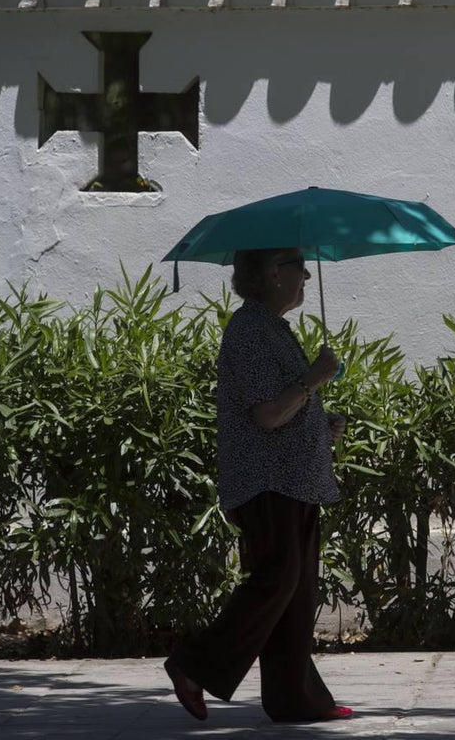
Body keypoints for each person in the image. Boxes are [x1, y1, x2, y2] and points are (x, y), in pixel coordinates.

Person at [164, 247, 353, 723]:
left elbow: (283, 406)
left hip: (295, 479)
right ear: (272, 274)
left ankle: (295, 700)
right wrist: (313, 379)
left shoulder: (272, 328)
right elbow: (268, 415)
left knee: (296, 588)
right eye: (298, 266)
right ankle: (192, 665)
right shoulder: (249, 331)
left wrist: (320, 421)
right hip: (268, 480)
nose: (306, 275)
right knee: (278, 580)